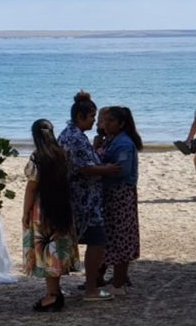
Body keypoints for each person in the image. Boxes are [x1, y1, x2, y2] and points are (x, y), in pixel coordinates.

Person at [57, 90, 119, 302]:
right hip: (84, 200)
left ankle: (58, 287)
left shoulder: (69, 134)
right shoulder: (75, 137)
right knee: (96, 241)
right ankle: (91, 288)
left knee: (70, 241)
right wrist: (108, 169)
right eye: (92, 117)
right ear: (80, 116)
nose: (95, 121)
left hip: (78, 197)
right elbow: (84, 168)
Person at [22, 119, 79, 312]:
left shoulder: (37, 157)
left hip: (43, 208)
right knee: (56, 248)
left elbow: (31, 188)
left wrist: (25, 213)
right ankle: (55, 292)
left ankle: (52, 295)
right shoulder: (62, 154)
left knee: (47, 252)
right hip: (62, 205)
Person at [101, 107, 143, 296]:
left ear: (121, 123)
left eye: (110, 121)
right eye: (104, 121)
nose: (105, 124)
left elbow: (122, 170)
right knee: (113, 237)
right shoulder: (112, 140)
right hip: (112, 194)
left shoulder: (124, 144)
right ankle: (116, 281)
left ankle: (118, 284)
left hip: (120, 195)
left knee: (121, 238)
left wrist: (99, 167)